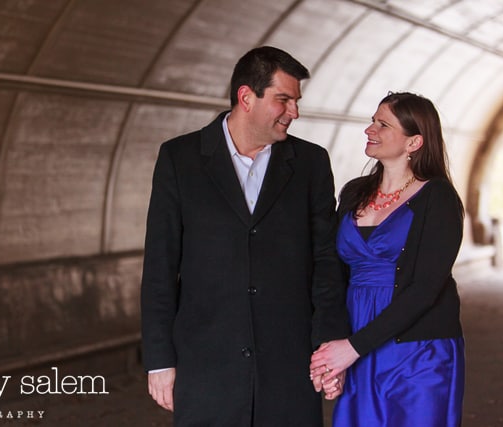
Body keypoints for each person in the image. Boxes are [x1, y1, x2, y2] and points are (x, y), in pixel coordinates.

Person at [140, 46, 349, 426]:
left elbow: (325, 262)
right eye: (283, 100)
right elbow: (160, 266)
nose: (294, 112)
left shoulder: (311, 163)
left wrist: (328, 346)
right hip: (204, 369)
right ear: (246, 97)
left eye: (296, 101)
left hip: (290, 368)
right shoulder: (179, 159)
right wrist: (159, 360)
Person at [309, 92, 465, 426]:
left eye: (383, 124)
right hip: (356, 338)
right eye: (372, 120)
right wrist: (333, 349)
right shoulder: (354, 192)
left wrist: (352, 348)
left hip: (418, 349)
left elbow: (426, 288)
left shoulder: (438, 197)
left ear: (414, 142)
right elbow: (333, 274)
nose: (370, 129)